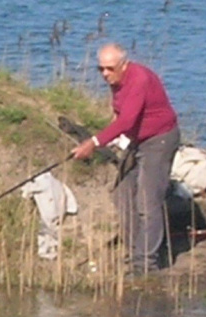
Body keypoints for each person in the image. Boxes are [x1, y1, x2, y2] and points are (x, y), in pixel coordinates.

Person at [72, 43, 180, 276]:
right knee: (122, 193)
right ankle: (136, 251)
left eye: (109, 69)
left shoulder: (138, 79)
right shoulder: (116, 81)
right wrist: (118, 140)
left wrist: (94, 142)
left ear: (124, 64)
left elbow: (127, 121)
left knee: (147, 200)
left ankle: (145, 265)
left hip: (159, 140)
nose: (105, 74)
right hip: (137, 140)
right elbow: (122, 116)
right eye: (100, 69)